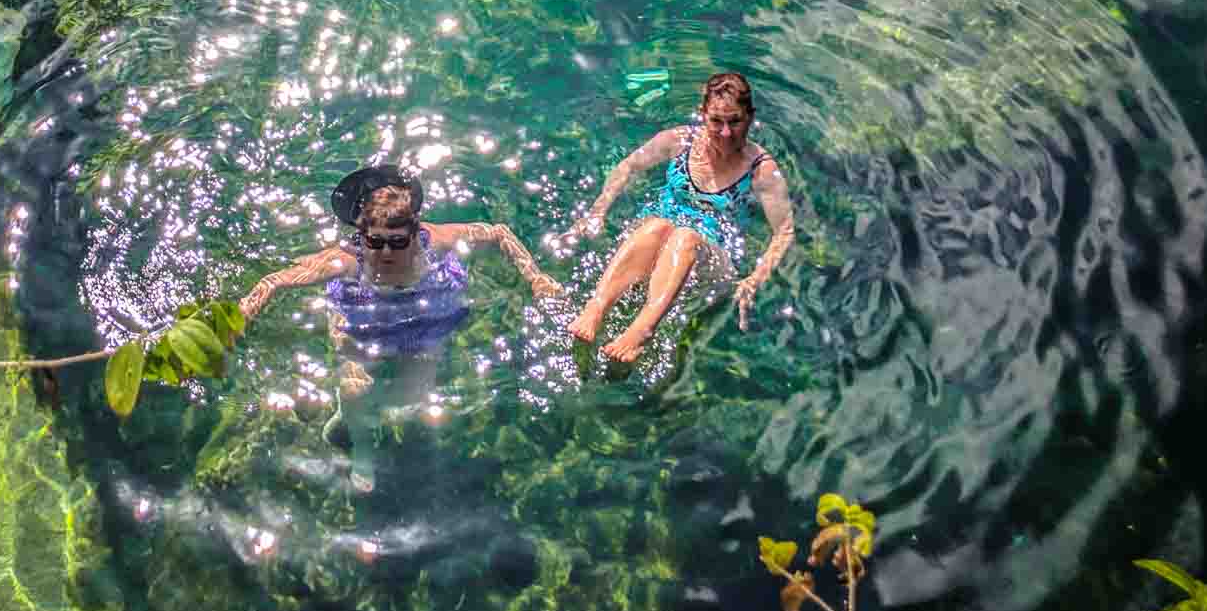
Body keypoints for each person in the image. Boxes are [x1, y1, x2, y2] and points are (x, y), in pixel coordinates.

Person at [238, 164, 562, 489]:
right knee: (354, 388)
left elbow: (500, 232)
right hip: (362, 308)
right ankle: (361, 442)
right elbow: (273, 281)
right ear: (361, 235)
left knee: (415, 395)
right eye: (376, 242)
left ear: (414, 231)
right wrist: (241, 317)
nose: (386, 252)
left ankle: (372, 415)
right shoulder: (347, 260)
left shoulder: (435, 240)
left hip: (426, 306)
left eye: (397, 241)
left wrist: (536, 278)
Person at [562, 70, 794, 364]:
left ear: (749, 117)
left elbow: (784, 231)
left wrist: (754, 279)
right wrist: (597, 213)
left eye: (734, 121)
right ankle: (596, 307)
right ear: (703, 114)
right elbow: (627, 168)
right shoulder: (679, 140)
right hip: (651, 241)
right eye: (716, 121)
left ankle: (641, 331)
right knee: (658, 225)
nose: (725, 132)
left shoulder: (761, 169)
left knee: (684, 236)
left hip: (711, 258)